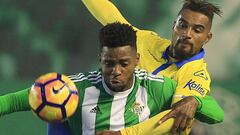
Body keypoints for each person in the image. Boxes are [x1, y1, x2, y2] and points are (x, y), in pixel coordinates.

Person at [0, 23, 223, 135]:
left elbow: (217, 115)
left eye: (124, 63)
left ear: (136, 60)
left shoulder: (156, 87)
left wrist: (196, 101)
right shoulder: (74, 88)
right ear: (100, 59)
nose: (116, 71)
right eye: (109, 63)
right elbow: (12, 101)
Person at [81, 0, 223, 132]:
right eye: (183, 25)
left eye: (197, 30)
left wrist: (125, 134)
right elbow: (110, 17)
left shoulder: (197, 75)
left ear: (207, 37)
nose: (187, 34)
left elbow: (175, 116)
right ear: (174, 25)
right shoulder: (148, 42)